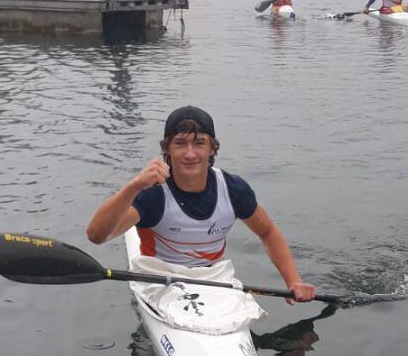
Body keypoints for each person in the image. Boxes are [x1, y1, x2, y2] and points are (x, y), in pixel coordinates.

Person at [86, 104, 316, 302]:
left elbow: (268, 232)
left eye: (199, 143)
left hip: (214, 278)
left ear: (212, 148)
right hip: (159, 278)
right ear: (167, 148)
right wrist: (134, 185)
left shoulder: (234, 189)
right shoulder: (152, 194)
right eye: (180, 143)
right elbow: (97, 236)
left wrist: (293, 281)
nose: (189, 153)